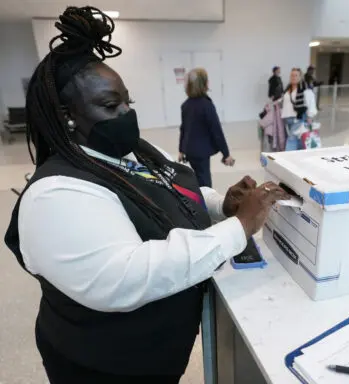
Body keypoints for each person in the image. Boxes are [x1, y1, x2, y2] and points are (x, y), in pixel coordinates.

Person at [4, 7, 289, 384]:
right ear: (65, 115)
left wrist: (221, 205)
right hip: (104, 366)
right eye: (110, 106)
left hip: (159, 352)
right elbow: (128, 275)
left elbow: (168, 191)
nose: (126, 114)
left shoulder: (135, 151)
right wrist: (238, 228)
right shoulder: (56, 194)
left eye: (128, 102)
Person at [179, 68, 234, 188]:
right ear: (204, 84)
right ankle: (205, 205)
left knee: (197, 179)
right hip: (202, 152)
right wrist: (226, 154)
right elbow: (216, 131)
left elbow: (183, 129)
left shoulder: (185, 105)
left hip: (189, 150)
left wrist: (181, 150)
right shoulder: (207, 105)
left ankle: (198, 200)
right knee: (205, 182)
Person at [281, 68, 317, 151]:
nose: (293, 77)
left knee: (291, 139)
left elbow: (311, 102)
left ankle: (288, 159)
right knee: (298, 139)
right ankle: (300, 156)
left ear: (300, 77)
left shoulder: (305, 89)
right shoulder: (288, 89)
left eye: (296, 75)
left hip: (298, 118)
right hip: (288, 119)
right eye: (292, 75)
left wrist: (310, 116)